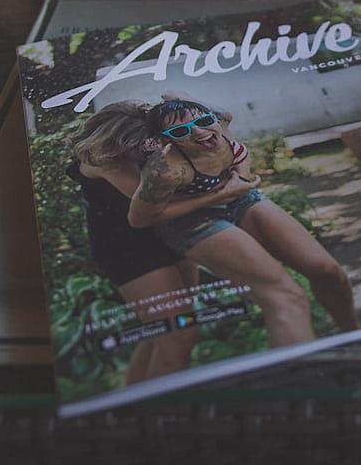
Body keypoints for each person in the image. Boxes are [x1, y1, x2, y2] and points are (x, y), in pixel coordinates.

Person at [129, 98, 358, 347]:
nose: (199, 132)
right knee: (286, 297)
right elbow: (140, 218)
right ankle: (307, 376)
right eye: (180, 131)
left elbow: (238, 153)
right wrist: (219, 195)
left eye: (204, 121)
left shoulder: (220, 129)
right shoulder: (166, 169)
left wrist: (240, 179)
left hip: (238, 198)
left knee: (328, 272)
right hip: (190, 221)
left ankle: (355, 339)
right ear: (165, 141)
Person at [67, 102, 255, 384]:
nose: (147, 150)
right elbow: (157, 203)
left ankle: (135, 397)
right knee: (179, 332)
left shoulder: (154, 133)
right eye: (138, 146)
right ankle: (163, 407)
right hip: (127, 248)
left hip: (167, 231)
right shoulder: (103, 160)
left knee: (162, 329)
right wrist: (217, 193)